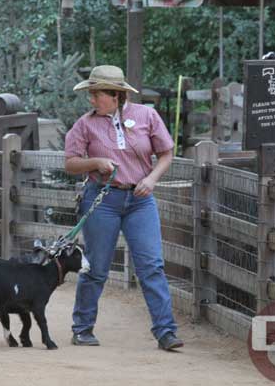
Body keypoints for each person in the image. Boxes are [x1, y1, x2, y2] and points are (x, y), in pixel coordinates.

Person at [64, 65, 183, 351]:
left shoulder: (147, 116)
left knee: (151, 265)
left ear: (116, 95)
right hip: (102, 200)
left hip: (141, 200)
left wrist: (152, 178)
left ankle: (165, 332)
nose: (92, 100)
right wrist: (95, 163)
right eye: (91, 94)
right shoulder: (85, 124)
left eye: (97, 94)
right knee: (96, 266)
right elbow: (70, 163)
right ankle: (82, 328)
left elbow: (166, 153)